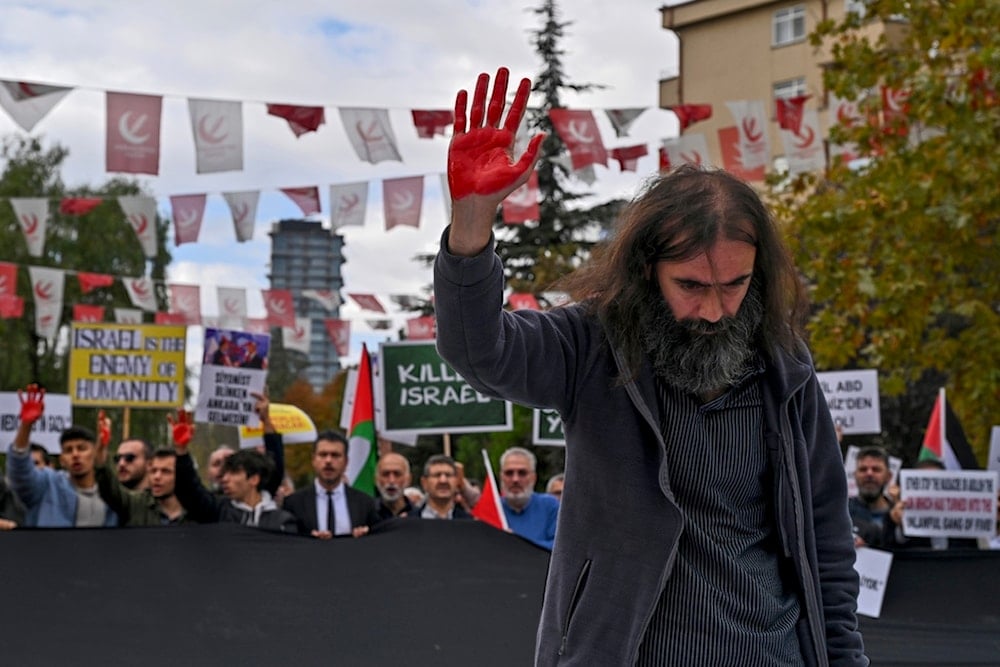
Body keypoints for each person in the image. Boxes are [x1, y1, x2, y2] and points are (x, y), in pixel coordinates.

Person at [433, 68, 866, 665]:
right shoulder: (590, 341)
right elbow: (480, 352)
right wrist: (472, 226)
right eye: (691, 285)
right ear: (645, 272)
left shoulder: (786, 370)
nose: (715, 310)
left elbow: (828, 544)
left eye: (735, 285)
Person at [5, 385, 117, 527]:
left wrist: (102, 450)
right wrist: (26, 426)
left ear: (93, 454)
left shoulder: (112, 493)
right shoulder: (48, 484)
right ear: (62, 460)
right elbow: (20, 474)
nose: (75, 454)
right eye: (68, 450)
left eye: (82, 449)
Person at [170, 410, 296, 533]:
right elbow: (189, 492)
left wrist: (266, 421)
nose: (224, 479)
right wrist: (181, 451)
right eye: (224, 473)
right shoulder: (218, 512)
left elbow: (275, 466)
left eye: (234, 472)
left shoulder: (283, 521)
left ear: (254, 479)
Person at [282, 430, 380, 538]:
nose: (328, 461)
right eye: (323, 455)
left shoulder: (364, 503)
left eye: (335, 455)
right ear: (313, 460)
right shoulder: (294, 503)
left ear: (346, 462)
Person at [499, 447, 559, 549]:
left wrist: (517, 541)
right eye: (509, 473)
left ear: (533, 477)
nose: (515, 479)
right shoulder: (493, 509)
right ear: (501, 477)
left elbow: (559, 547)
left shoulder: (550, 506)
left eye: (522, 473)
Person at [848, 447, 893, 548]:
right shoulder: (841, 512)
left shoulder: (899, 516)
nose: (869, 474)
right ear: (855, 475)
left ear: (888, 476)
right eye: (863, 469)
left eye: (876, 470)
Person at [409, 455, 472, 520]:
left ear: (456, 481)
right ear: (424, 483)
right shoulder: (408, 522)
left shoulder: (470, 523)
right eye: (437, 475)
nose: (443, 480)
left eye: (448, 475)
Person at [374, 451, 415, 519]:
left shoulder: (420, 515)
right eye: (385, 474)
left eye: (397, 474)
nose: (391, 481)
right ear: (376, 479)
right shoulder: (365, 515)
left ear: (408, 479)